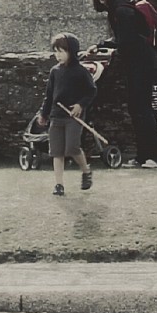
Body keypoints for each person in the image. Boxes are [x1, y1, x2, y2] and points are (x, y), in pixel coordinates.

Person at [92, 0, 157, 167]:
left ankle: (154, 157)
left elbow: (126, 39)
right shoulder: (120, 7)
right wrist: (103, 45)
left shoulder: (121, 10)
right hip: (138, 63)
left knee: (142, 109)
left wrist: (106, 46)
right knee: (137, 109)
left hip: (141, 64)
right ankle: (143, 156)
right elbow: (122, 37)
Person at [44, 33, 97, 195]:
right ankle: (59, 185)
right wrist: (43, 113)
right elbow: (49, 95)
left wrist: (80, 105)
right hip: (56, 115)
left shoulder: (81, 72)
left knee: (72, 148)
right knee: (57, 151)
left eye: (62, 51)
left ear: (71, 51)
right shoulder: (55, 72)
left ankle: (86, 171)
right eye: (56, 51)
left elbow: (91, 91)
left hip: (74, 117)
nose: (58, 55)